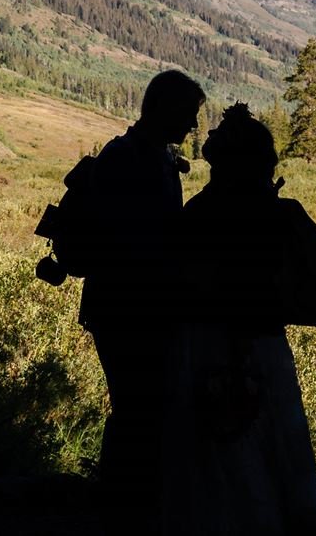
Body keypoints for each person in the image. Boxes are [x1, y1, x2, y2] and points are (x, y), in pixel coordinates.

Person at [164, 104, 316, 536]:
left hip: (201, 348)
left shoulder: (196, 215)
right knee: (276, 442)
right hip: (265, 347)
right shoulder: (281, 215)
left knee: (219, 451)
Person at [82, 68, 206, 528]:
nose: (193, 125)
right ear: (163, 109)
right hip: (127, 310)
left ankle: (123, 503)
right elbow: (131, 242)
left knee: (138, 409)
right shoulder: (131, 159)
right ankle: (121, 508)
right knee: (138, 409)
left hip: (129, 307)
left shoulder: (146, 156)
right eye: (189, 114)